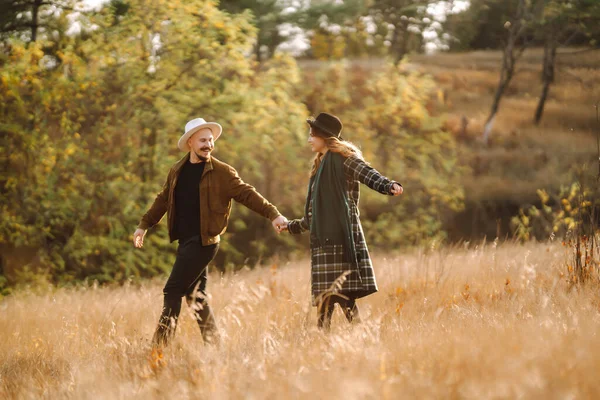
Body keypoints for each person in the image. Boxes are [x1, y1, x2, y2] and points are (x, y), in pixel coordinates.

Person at [133, 117, 288, 347]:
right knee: (196, 296)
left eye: (211, 140)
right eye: (203, 140)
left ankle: (159, 349)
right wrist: (144, 225)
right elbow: (163, 200)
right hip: (186, 241)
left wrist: (273, 214)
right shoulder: (177, 171)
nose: (209, 145)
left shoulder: (222, 172)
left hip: (204, 242)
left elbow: (247, 193)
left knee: (172, 290)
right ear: (190, 142)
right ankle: (215, 346)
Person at [285, 113, 403, 331]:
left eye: (313, 135)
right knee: (330, 297)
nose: (309, 140)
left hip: (341, 237)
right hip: (323, 241)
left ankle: (345, 336)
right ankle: (347, 336)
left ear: (324, 137)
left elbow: (368, 173)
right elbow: (313, 215)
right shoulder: (318, 167)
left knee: (339, 295)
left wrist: (388, 185)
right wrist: (291, 226)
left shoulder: (343, 159)